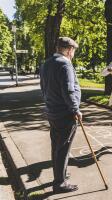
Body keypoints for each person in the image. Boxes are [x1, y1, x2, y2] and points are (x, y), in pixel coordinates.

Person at [40, 37, 81, 193]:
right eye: (73, 51)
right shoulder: (65, 64)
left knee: (56, 146)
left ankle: (60, 175)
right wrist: (75, 109)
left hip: (52, 111)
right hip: (64, 113)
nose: (73, 54)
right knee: (63, 148)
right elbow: (69, 90)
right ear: (69, 50)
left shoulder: (46, 63)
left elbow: (43, 88)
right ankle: (59, 183)